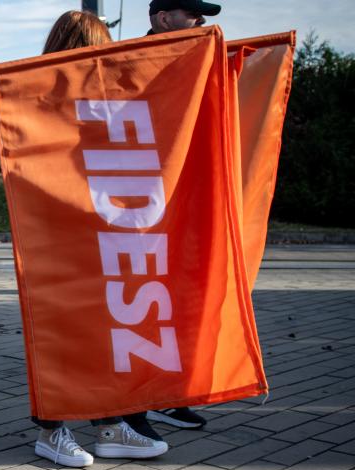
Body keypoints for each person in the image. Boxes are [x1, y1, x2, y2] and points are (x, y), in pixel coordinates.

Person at [29, 11, 169, 468]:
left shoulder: (103, 99)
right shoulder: (36, 96)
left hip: (95, 234)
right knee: (59, 332)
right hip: (57, 238)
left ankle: (107, 424)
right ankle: (52, 431)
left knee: (103, 328)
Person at [125, 0, 222, 433]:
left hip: (185, 201)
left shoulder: (200, 64)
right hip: (140, 203)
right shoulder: (129, 63)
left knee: (181, 301)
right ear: (165, 19)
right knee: (141, 304)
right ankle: (132, 406)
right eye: (193, 15)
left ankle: (168, 395)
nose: (200, 23)